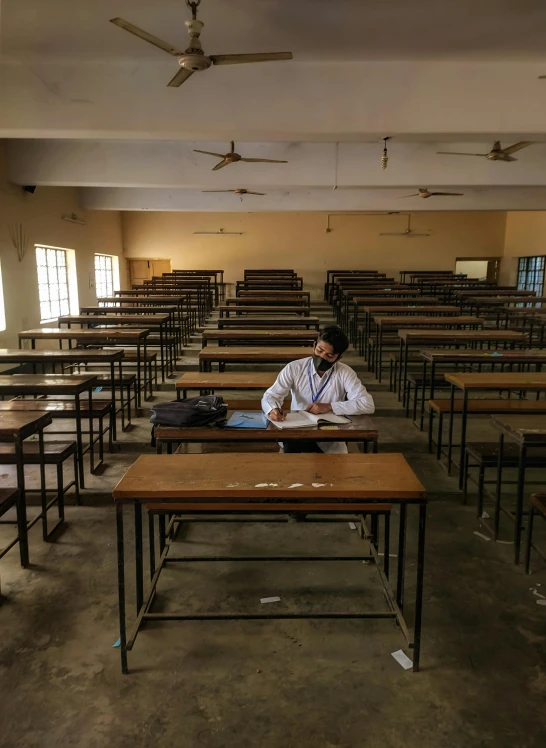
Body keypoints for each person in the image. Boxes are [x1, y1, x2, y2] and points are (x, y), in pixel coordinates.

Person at [261, 325, 375, 454]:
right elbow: (271, 395)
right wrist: (272, 409)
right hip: (296, 435)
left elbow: (367, 404)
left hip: (330, 438)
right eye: (320, 350)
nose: (322, 358)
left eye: (329, 356)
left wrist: (330, 406)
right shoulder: (294, 368)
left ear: (339, 357)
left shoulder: (345, 373)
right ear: (314, 345)